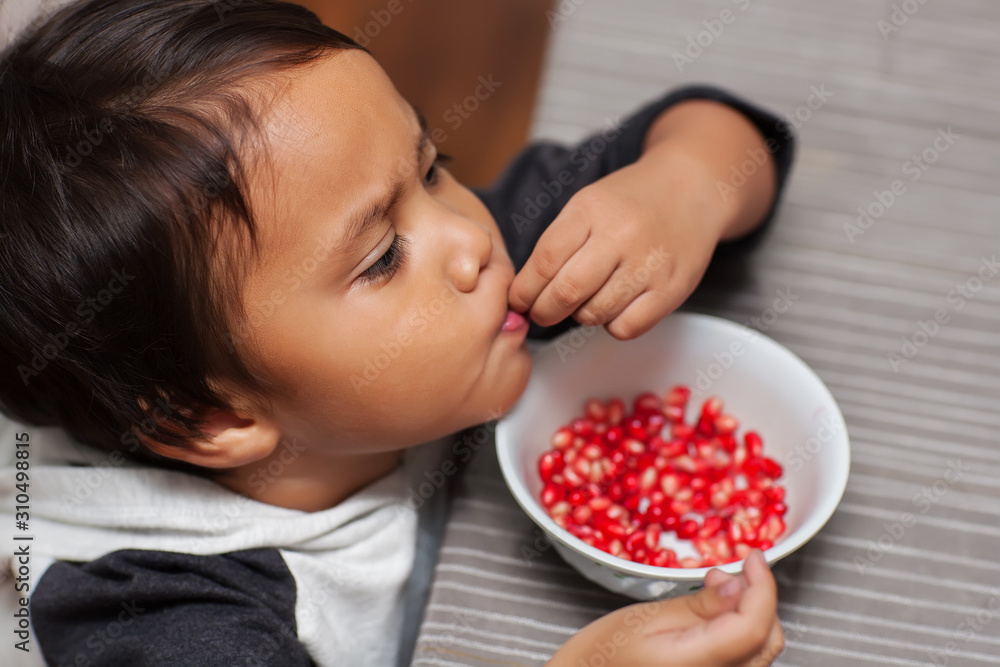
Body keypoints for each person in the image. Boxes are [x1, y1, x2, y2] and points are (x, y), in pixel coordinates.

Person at [0, 1, 795, 665]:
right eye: (382, 259)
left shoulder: (466, 262)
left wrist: (683, 185)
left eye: (432, 165)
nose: (468, 238)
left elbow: (728, 135)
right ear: (213, 416)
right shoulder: (160, 616)